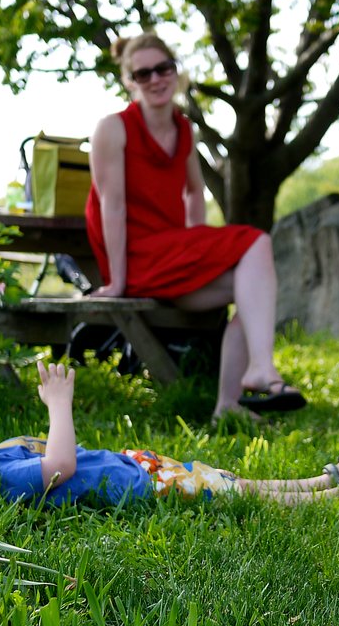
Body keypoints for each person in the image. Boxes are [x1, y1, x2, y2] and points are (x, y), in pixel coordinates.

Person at [86, 32, 305, 418]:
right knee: (255, 240)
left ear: (175, 72)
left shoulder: (184, 129)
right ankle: (261, 369)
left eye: (163, 68)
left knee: (252, 287)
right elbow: (112, 208)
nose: (155, 79)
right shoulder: (113, 128)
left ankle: (228, 405)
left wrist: (197, 246)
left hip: (173, 255)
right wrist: (118, 282)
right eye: (143, 73)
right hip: (135, 258)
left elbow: (193, 194)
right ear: (129, 81)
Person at [0, 366, 339, 507]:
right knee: (237, 491)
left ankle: (333, 478)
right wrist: (59, 406)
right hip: (133, 485)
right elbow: (58, 469)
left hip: (131, 466)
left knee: (234, 480)